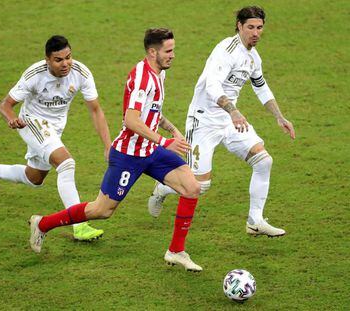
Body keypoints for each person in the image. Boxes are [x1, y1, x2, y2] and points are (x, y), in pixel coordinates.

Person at [29, 28, 203, 272]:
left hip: (149, 149)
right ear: (153, 52)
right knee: (101, 210)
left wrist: (172, 129)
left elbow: (151, 111)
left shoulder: (158, 74)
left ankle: (176, 251)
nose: (173, 55)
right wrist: (164, 142)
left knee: (192, 187)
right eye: (169, 51)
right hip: (129, 154)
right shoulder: (143, 78)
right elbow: (131, 120)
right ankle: (43, 224)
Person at [148, 6, 295, 237]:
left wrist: (279, 116)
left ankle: (255, 221)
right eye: (250, 27)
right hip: (204, 120)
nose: (255, 33)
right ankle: (163, 188)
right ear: (239, 26)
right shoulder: (226, 50)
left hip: (229, 121)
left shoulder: (253, 57)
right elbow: (212, 86)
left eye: (259, 28)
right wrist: (234, 111)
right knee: (199, 186)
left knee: (263, 161)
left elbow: (261, 86)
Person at [0, 35, 111, 241]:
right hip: (32, 122)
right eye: (58, 60)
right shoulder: (34, 75)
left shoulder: (80, 72)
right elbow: (5, 104)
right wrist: (11, 119)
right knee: (66, 164)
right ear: (47, 60)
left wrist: (108, 145)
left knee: (34, 178)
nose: (65, 64)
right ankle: (79, 225)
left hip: (55, 128)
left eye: (68, 57)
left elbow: (96, 110)